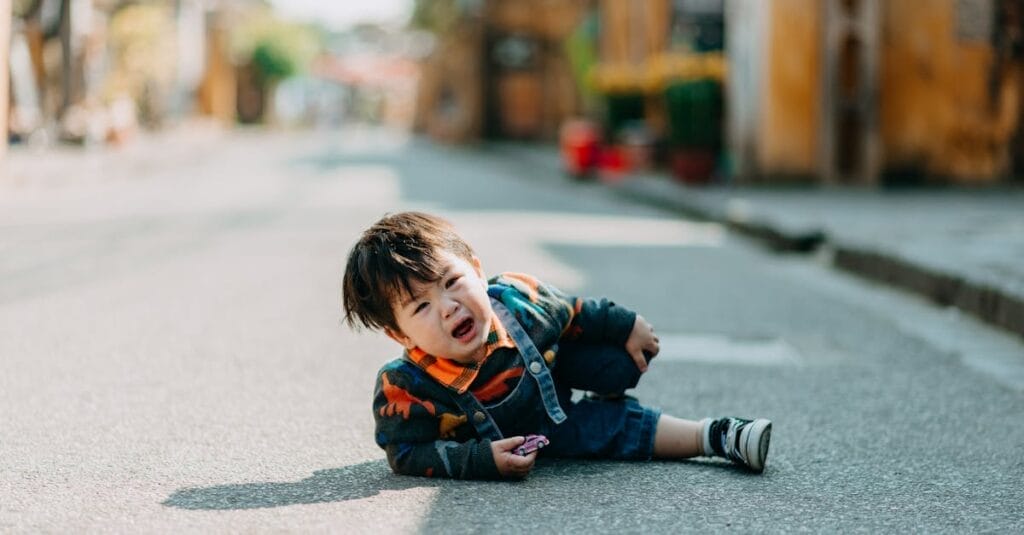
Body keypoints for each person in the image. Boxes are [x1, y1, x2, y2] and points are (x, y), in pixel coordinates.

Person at [342, 211, 772, 479]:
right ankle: (715, 435)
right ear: (400, 335)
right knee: (618, 427)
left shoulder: (515, 299)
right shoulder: (406, 387)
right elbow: (405, 452)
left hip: (552, 374)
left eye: (452, 282)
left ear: (476, 269)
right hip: (545, 434)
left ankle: (609, 382)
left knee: (619, 357)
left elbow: (572, 310)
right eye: (421, 307)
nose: (449, 307)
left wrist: (627, 325)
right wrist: (481, 460)